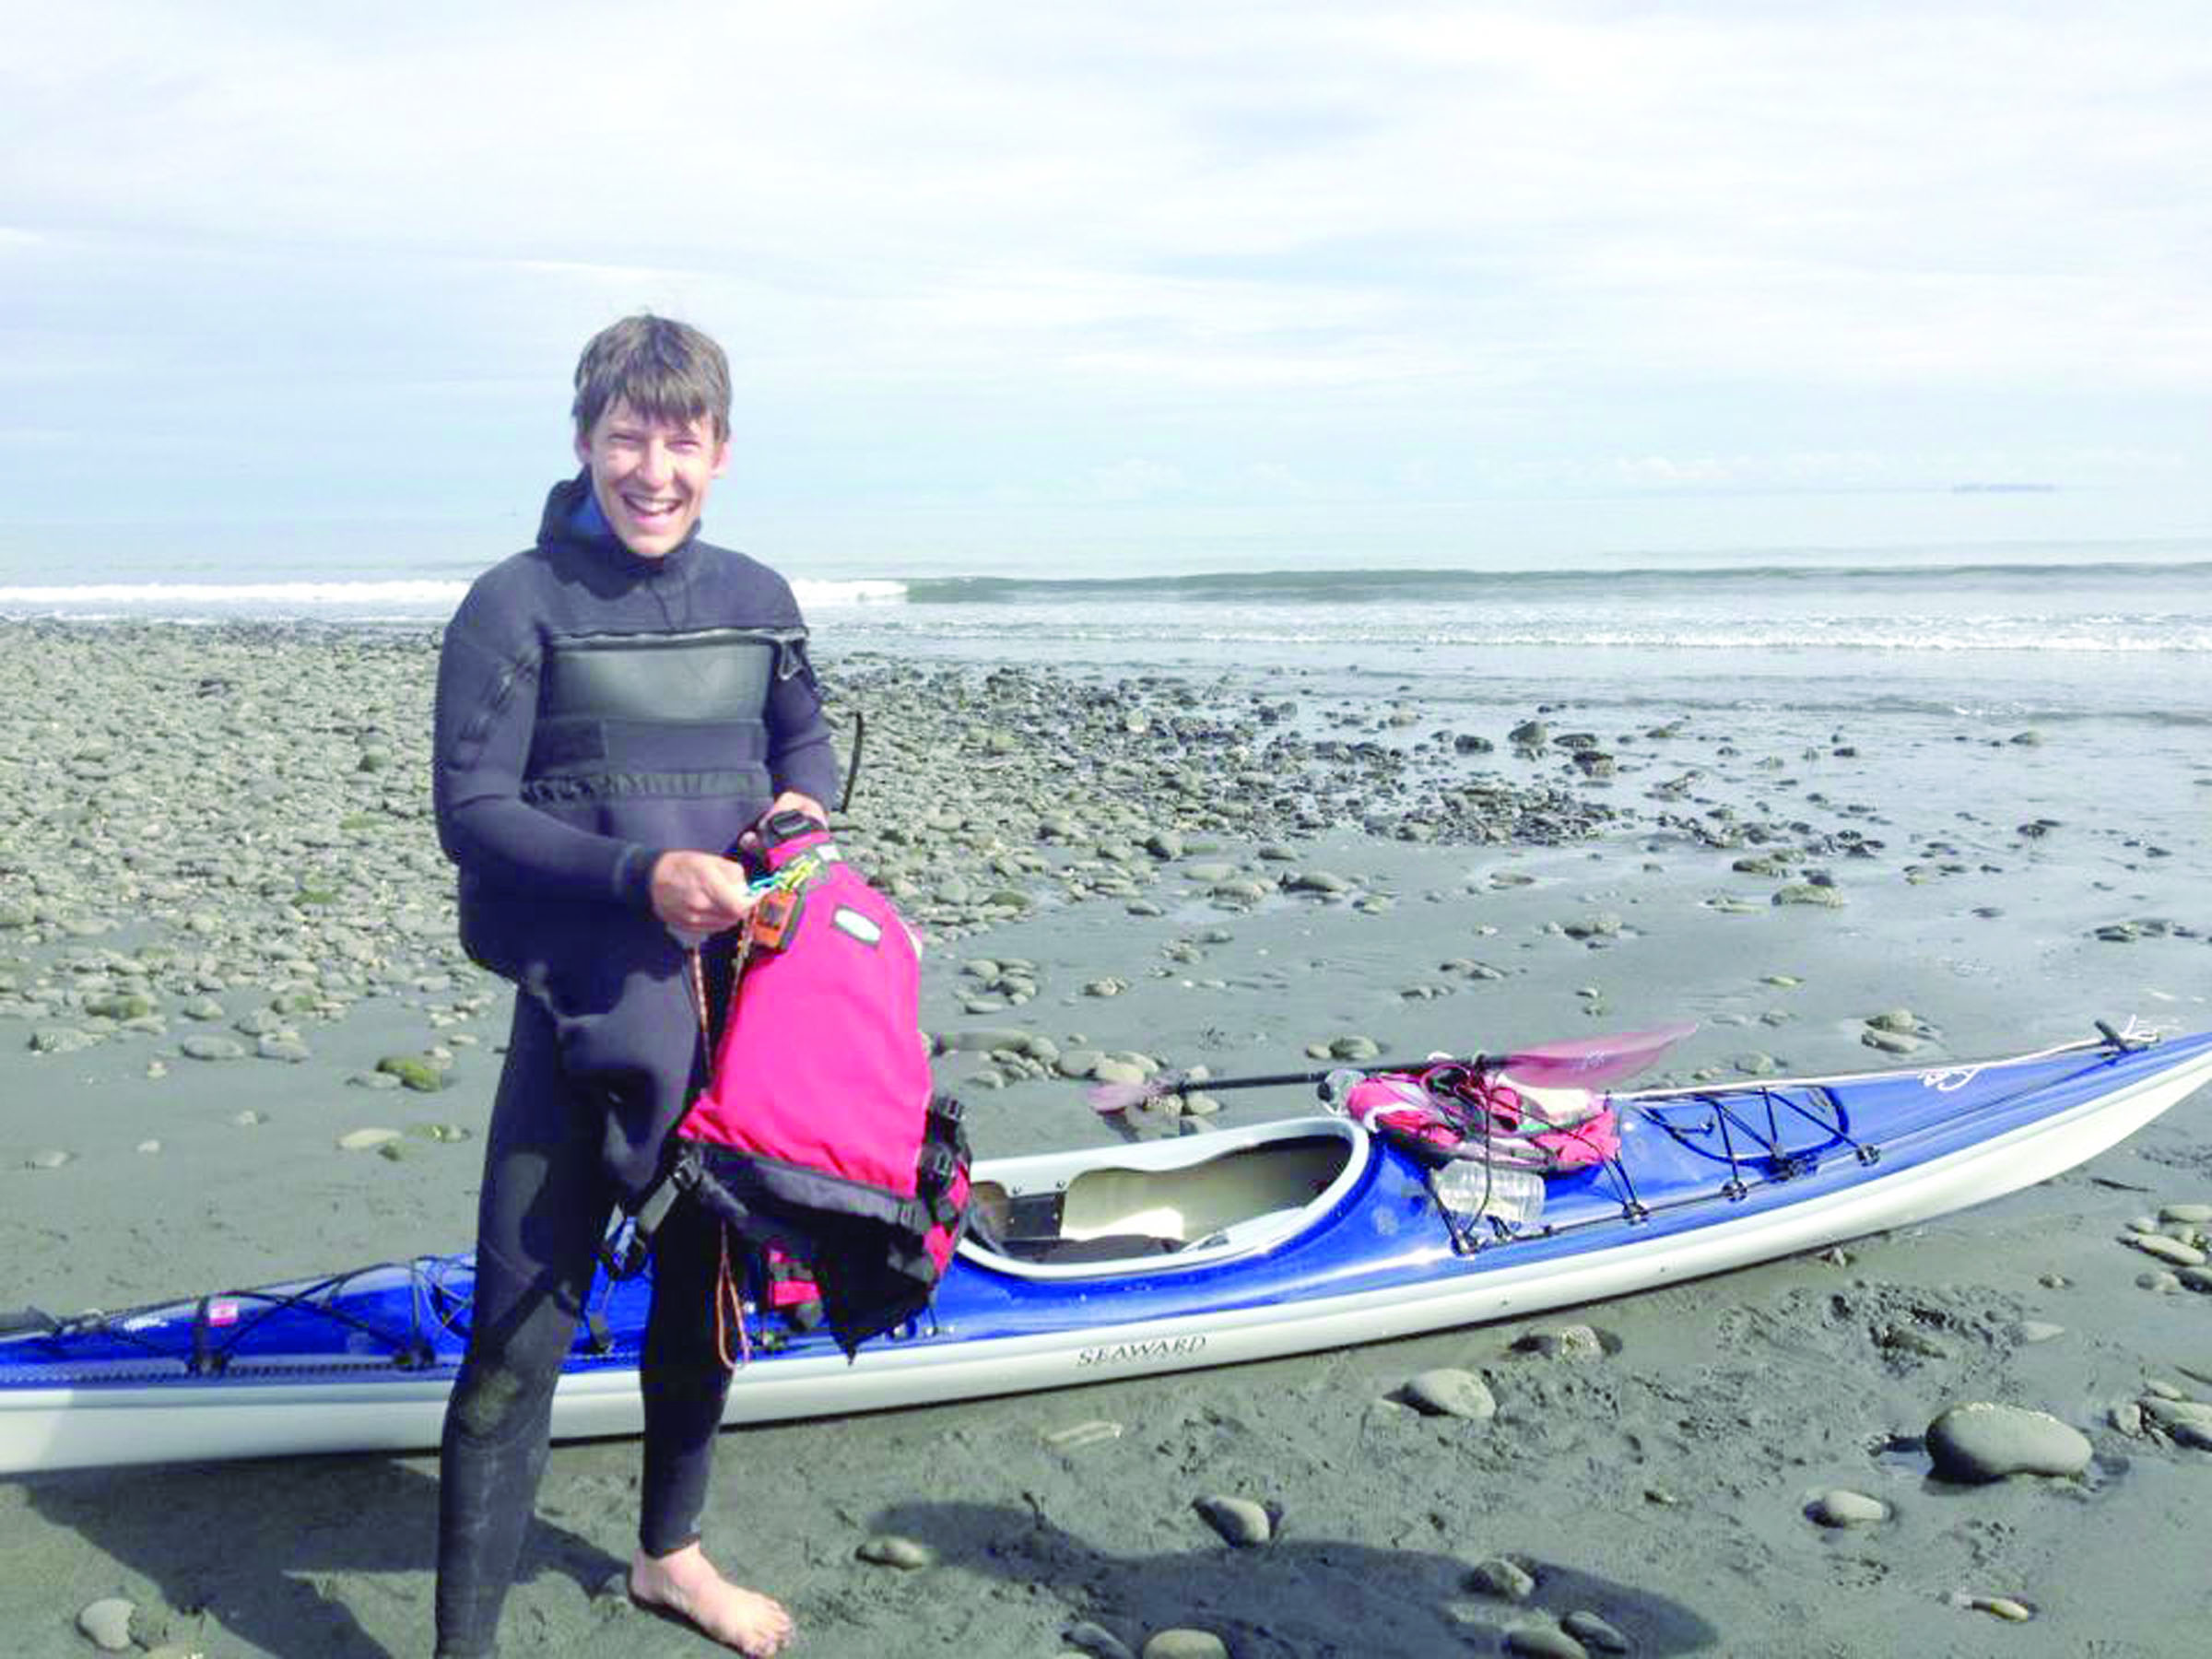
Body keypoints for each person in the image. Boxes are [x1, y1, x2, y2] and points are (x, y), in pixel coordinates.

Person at [430, 314, 840, 1657]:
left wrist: (798, 817)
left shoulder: (759, 596)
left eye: (681, 437)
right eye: (627, 434)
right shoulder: (514, 605)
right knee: (512, 1346)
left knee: (701, 1302)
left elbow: (806, 744)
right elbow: (473, 811)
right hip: (577, 1016)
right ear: (584, 440)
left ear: (720, 452)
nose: (651, 467)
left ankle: (671, 1556)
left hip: (730, 1027)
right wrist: (639, 878)